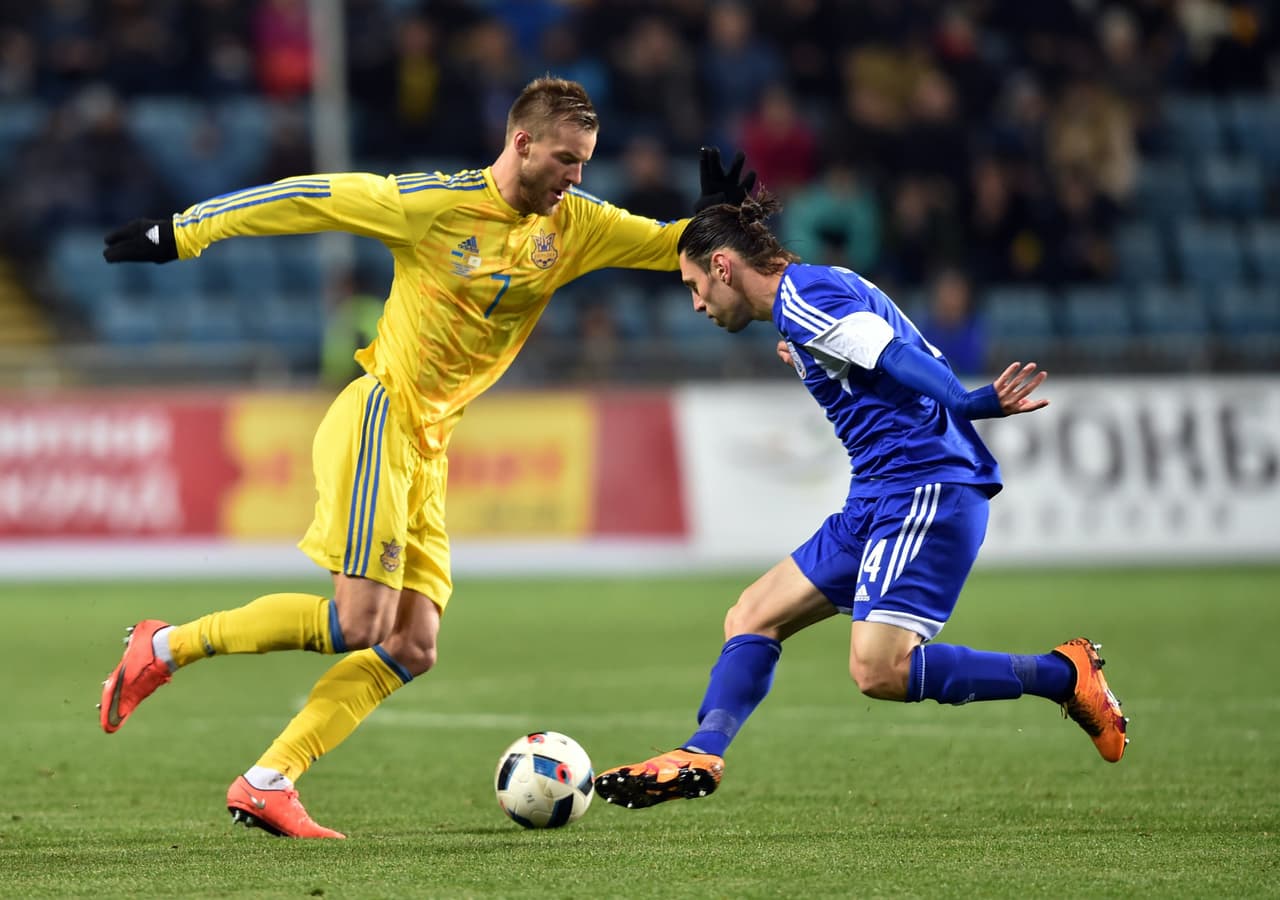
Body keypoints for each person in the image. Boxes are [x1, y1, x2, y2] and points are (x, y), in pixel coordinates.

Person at [96, 77, 755, 839]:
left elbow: (666, 242)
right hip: (381, 415)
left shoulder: (573, 225)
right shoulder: (434, 204)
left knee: (412, 643)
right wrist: (184, 232)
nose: (577, 178)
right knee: (358, 621)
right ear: (522, 144)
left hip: (430, 445)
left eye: (585, 164)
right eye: (567, 161)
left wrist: (723, 221)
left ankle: (268, 779)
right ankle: (166, 645)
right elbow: (309, 197)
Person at [593, 191, 1129, 811]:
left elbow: (894, 354)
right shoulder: (807, 296)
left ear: (722, 268)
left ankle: (1065, 674)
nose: (696, 303)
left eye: (694, 284)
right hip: (876, 493)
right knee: (750, 616)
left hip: (926, 485)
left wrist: (970, 401)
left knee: (879, 670)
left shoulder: (805, 298)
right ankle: (701, 751)